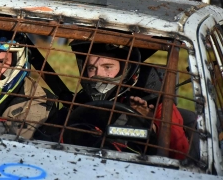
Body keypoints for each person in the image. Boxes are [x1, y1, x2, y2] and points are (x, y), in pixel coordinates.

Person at [60, 41, 190, 160]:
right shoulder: (79, 102)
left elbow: (179, 156)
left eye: (108, 67)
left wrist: (152, 124)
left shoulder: (160, 106)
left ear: (125, 70)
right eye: (91, 68)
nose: (98, 75)